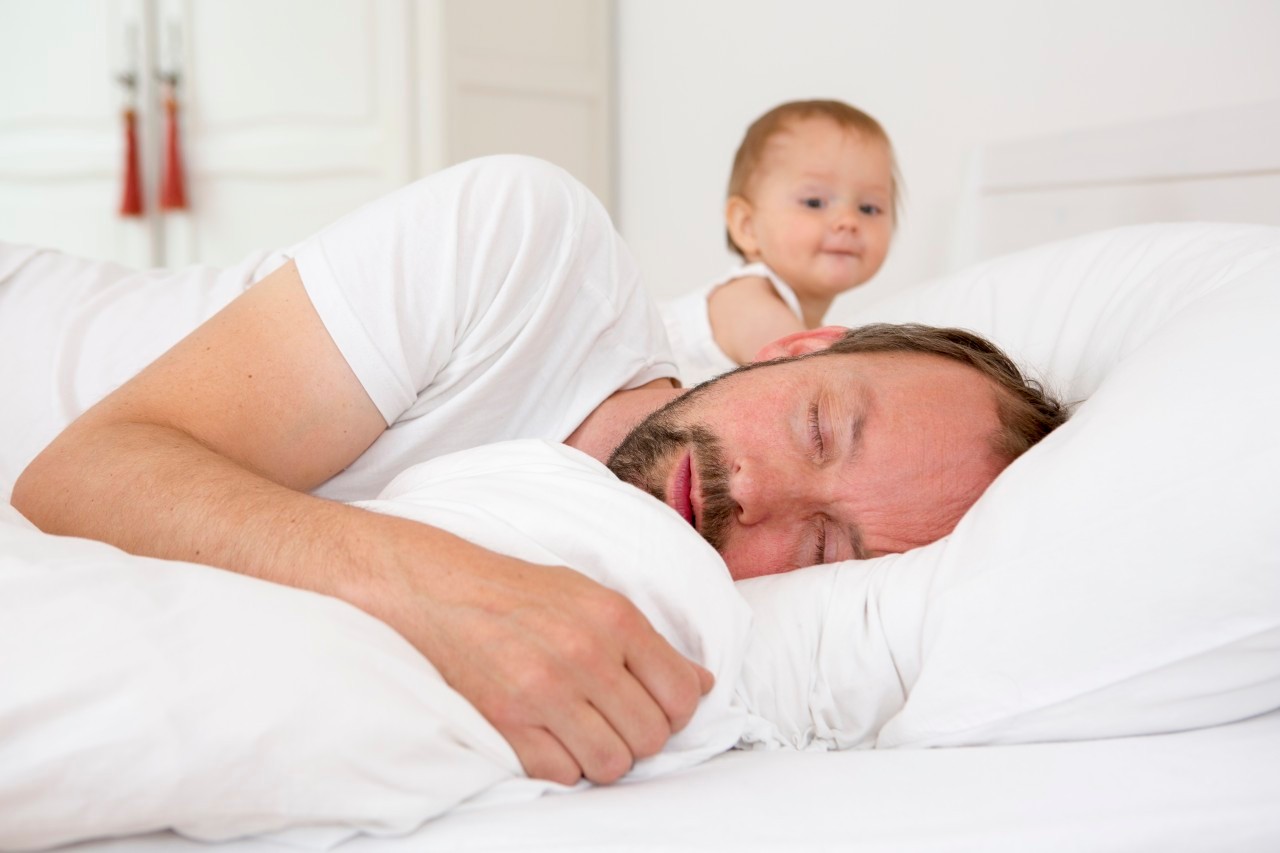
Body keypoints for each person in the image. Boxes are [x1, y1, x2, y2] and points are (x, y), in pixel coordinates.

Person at [9, 155, 1064, 790]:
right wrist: (435, 592)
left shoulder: (675, 604)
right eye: (818, 429)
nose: (764, 497)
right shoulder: (526, 252)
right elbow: (78, 477)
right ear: (790, 349)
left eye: (828, 545)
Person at [662, 99, 899, 386]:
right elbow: (814, 386)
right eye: (814, 202)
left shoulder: (797, 322)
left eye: (869, 208)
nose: (848, 220)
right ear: (746, 226)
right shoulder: (750, 300)